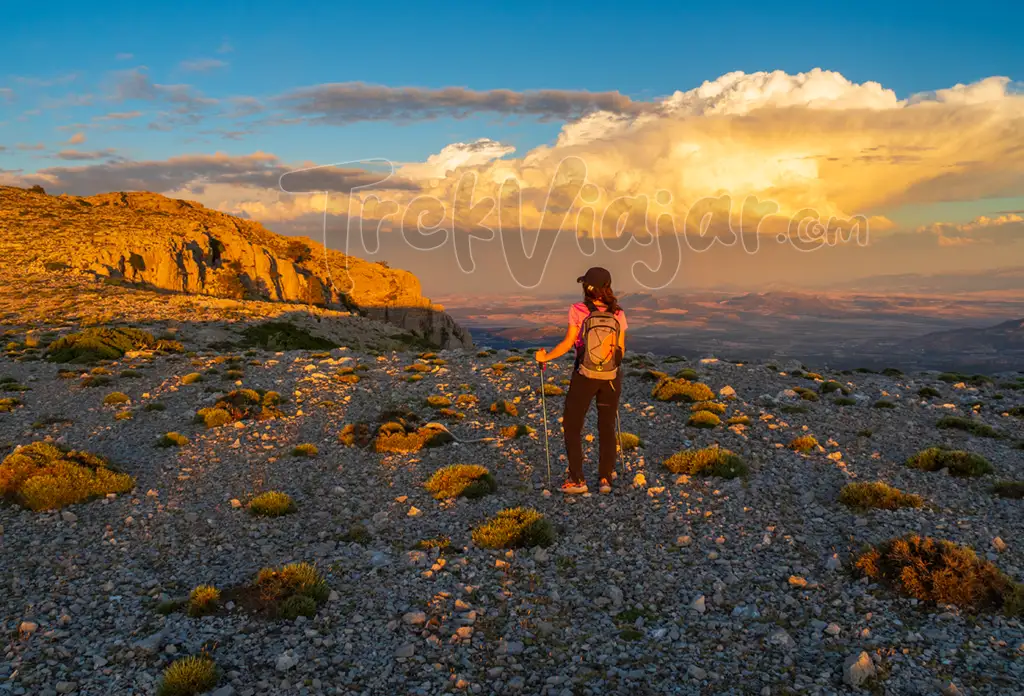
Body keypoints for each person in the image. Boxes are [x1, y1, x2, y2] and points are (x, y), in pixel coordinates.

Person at [535, 267, 627, 495]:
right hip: (611, 377)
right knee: (606, 427)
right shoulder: (619, 313)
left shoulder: (578, 310)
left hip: (584, 375)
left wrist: (545, 357)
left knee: (572, 425)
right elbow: (621, 349)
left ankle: (577, 478)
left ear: (587, 287)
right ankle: (605, 478)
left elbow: (568, 343)